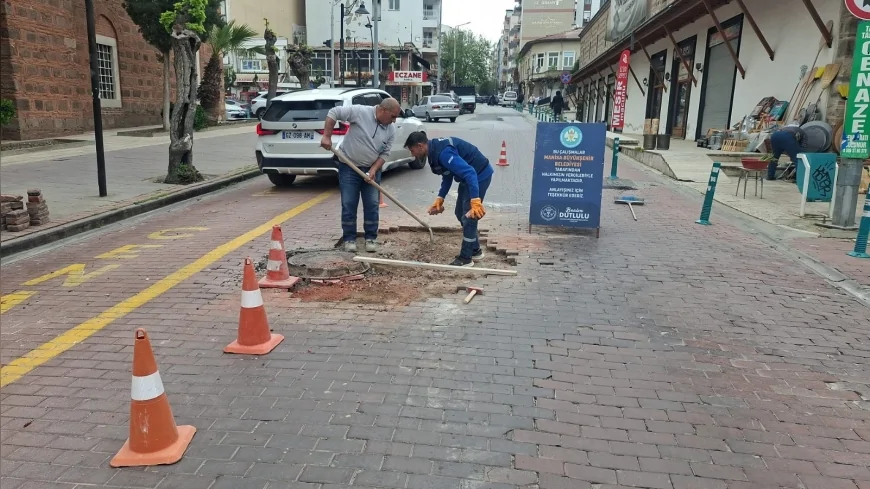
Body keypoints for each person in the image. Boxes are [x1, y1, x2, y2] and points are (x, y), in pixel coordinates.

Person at [320, 98, 402, 253]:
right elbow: (334, 112)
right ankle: (349, 239)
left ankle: (371, 238)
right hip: (349, 167)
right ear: (383, 110)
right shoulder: (360, 112)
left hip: (371, 170)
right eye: (392, 116)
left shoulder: (390, 129)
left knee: (372, 204)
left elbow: (385, 153)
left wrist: (373, 169)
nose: (394, 120)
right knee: (349, 203)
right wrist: (327, 136)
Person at [404, 131, 494, 267]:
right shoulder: (435, 152)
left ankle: (466, 258)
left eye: (413, 150)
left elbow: (470, 172)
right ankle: (475, 250)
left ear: (420, 145)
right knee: (460, 213)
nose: (413, 154)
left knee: (469, 216)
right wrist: (440, 198)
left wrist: (475, 201)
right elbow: (447, 175)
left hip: (479, 176)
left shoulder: (444, 153)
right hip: (468, 178)